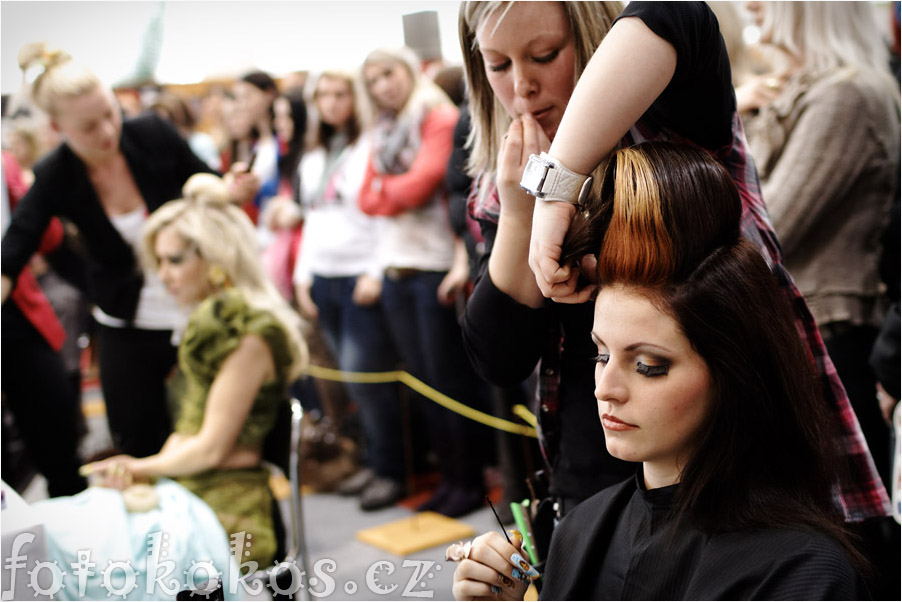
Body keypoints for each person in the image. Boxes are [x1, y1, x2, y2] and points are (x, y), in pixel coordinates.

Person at [459, 1, 889, 531]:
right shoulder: (499, 181)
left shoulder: (668, 122)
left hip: (725, 468)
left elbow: (676, 11)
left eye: (545, 55)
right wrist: (521, 210)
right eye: (498, 65)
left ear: (594, 38)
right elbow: (498, 357)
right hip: (594, 478)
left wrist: (557, 184)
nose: (522, 86)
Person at [452, 142, 869, 601]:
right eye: (600, 355)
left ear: (733, 373)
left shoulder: (800, 573)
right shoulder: (578, 532)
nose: (605, 390)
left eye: (648, 366)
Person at [0, 43, 255, 459]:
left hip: (200, 307)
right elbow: (14, 250)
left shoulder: (152, 133)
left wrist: (233, 188)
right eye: (88, 127)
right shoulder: (55, 175)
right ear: (57, 128)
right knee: (138, 441)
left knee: (226, 435)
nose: (107, 132)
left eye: (111, 113)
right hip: (128, 319)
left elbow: (209, 183)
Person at [84, 172, 308, 567]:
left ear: (216, 260)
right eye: (159, 262)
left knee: (94, 558)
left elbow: (211, 447)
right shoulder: (212, 326)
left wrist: (137, 468)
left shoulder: (249, 335)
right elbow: (192, 436)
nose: (163, 275)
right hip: (191, 490)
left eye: (174, 260)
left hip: (230, 508)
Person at [358, 46, 490, 517]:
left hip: (436, 264)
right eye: (372, 80)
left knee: (448, 382)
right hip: (397, 266)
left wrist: (386, 190)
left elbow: (422, 185)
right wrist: (390, 191)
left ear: (409, 70)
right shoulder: (384, 128)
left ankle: (468, 482)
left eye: (388, 73)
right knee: (423, 383)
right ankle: (450, 481)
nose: (382, 86)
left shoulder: (436, 115)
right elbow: (364, 198)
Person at [292, 70, 406, 511]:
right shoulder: (314, 154)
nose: (331, 101)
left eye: (340, 93)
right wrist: (303, 274)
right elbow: (312, 217)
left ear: (355, 97)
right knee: (350, 380)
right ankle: (373, 463)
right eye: (323, 94)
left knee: (367, 378)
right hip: (323, 276)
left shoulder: (370, 146)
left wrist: (375, 270)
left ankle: (389, 470)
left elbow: (382, 214)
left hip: (360, 274)